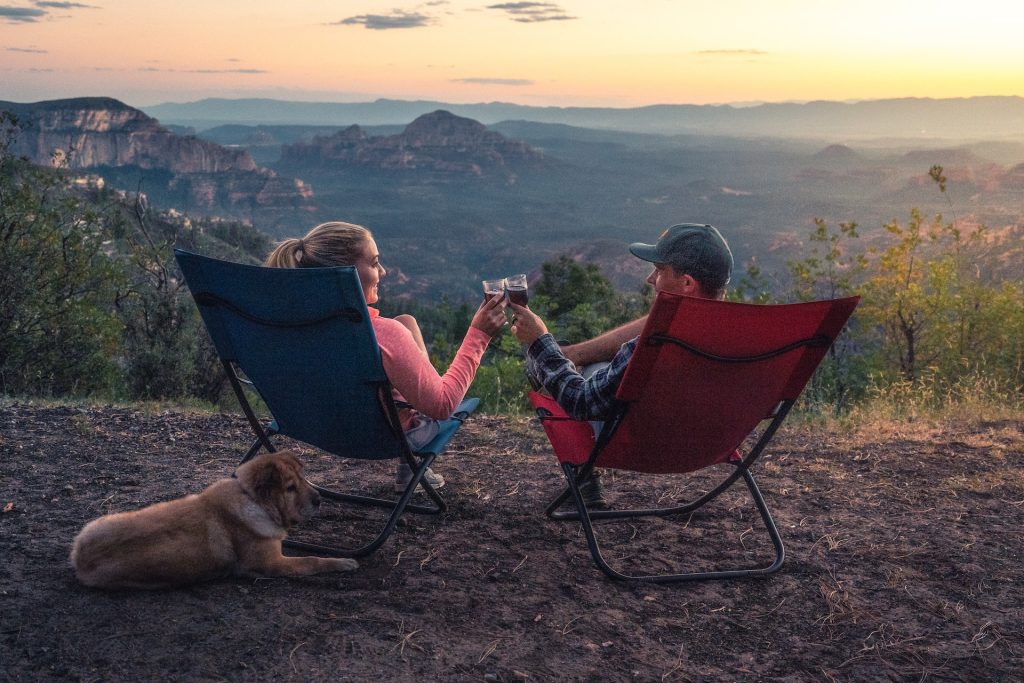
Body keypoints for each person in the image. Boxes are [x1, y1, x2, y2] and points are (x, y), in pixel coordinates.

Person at [265, 221, 508, 492]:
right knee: (433, 388)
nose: (383, 271)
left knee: (407, 322)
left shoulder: (285, 324)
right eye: (374, 262)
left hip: (312, 425)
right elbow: (443, 406)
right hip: (382, 436)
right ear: (345, 272)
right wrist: (479, 334)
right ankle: (410, 463)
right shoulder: (384, 336)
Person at [509, 223, 733, 506]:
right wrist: (573, 354)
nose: (651, 279)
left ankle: (585, 482)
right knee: (580, 362)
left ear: (687, 283)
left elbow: (581, 401)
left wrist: (540, 342)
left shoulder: (654, 347)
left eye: (660, 270)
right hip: (712, 443)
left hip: (639, 443)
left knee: (547, 365)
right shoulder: (747, 338)